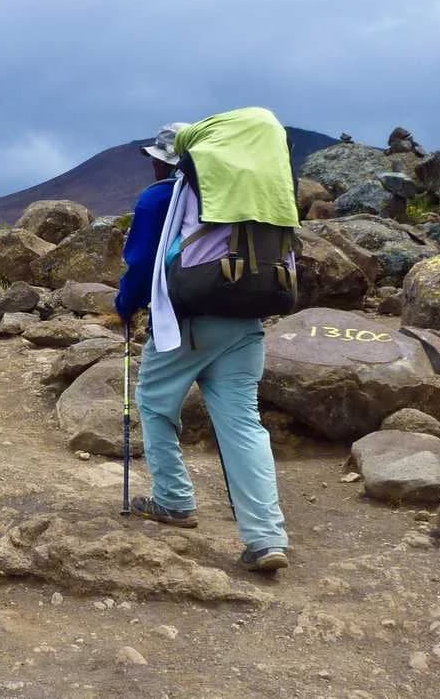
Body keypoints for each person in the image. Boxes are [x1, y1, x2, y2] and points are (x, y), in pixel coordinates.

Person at [115, 121, 292, 573]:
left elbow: (139, 264)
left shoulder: (161, 198)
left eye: (156, 157)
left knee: (155, 405)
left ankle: (174, 500)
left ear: (169, 161)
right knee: (244, 426)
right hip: (245, 321)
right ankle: (266, 538)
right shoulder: (249, 198)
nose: (153, 164)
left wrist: (125, 306)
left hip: (187, 322)